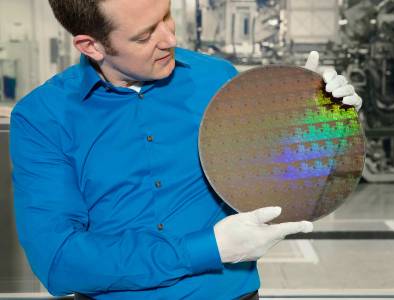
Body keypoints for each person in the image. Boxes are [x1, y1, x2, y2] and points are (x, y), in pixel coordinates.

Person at [9, 0, 362, 299]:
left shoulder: (217, 80)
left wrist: (322, 124)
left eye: (166, 15)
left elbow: (280, 180)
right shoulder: (42, 118)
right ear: (92, 46)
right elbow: (59, 262)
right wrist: (210, 248)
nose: (169, 39)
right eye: (145, 35)